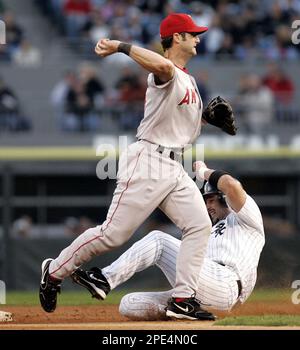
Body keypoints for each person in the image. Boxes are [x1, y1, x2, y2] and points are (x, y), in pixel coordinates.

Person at [40, 13, 226, 320]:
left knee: (199, 225)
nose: (198, 38)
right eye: (192, 33)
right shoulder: (165, 71)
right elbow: (163, 67)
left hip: (174, 166)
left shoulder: (189, 80)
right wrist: (120, 46)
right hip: (148, 159)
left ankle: (182, 299)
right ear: (176, 37)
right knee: (113, 234)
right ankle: (55, 271)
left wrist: (206, 118)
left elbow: (179, 127)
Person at [71, 162, 265, 320]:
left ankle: (104, 279)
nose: (207, 205)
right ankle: (186, 313)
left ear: (224, 198)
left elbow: (231, 185)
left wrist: (204, 172)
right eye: (205, 200)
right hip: (205, 292)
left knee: (159, 240)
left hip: (226, 283)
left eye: (211, 199)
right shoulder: (208, 229)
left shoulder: (246, 217)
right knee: (129, 304)